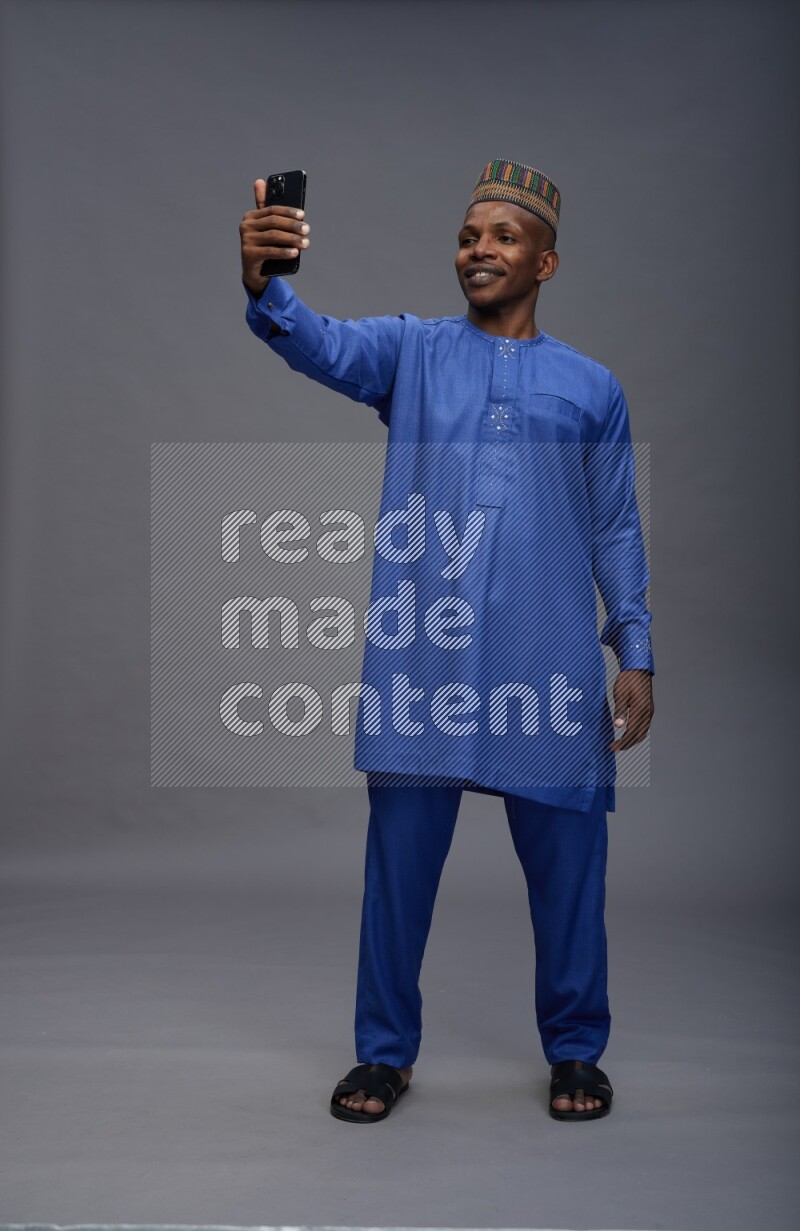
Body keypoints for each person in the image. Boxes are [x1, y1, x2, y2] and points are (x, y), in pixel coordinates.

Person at [239, 159, 655, 1122]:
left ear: (544, 261)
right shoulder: (412, 355)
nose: (479, 250)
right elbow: (320, 345)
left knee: (571, 876)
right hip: (424, 661)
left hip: (545, 664)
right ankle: (383, 1054)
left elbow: (617, 526)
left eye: (503, 237)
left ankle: (577, 1053)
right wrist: (265, 283)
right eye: (470, 236)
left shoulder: (591, 388)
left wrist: (633, 649)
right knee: (397, 874)